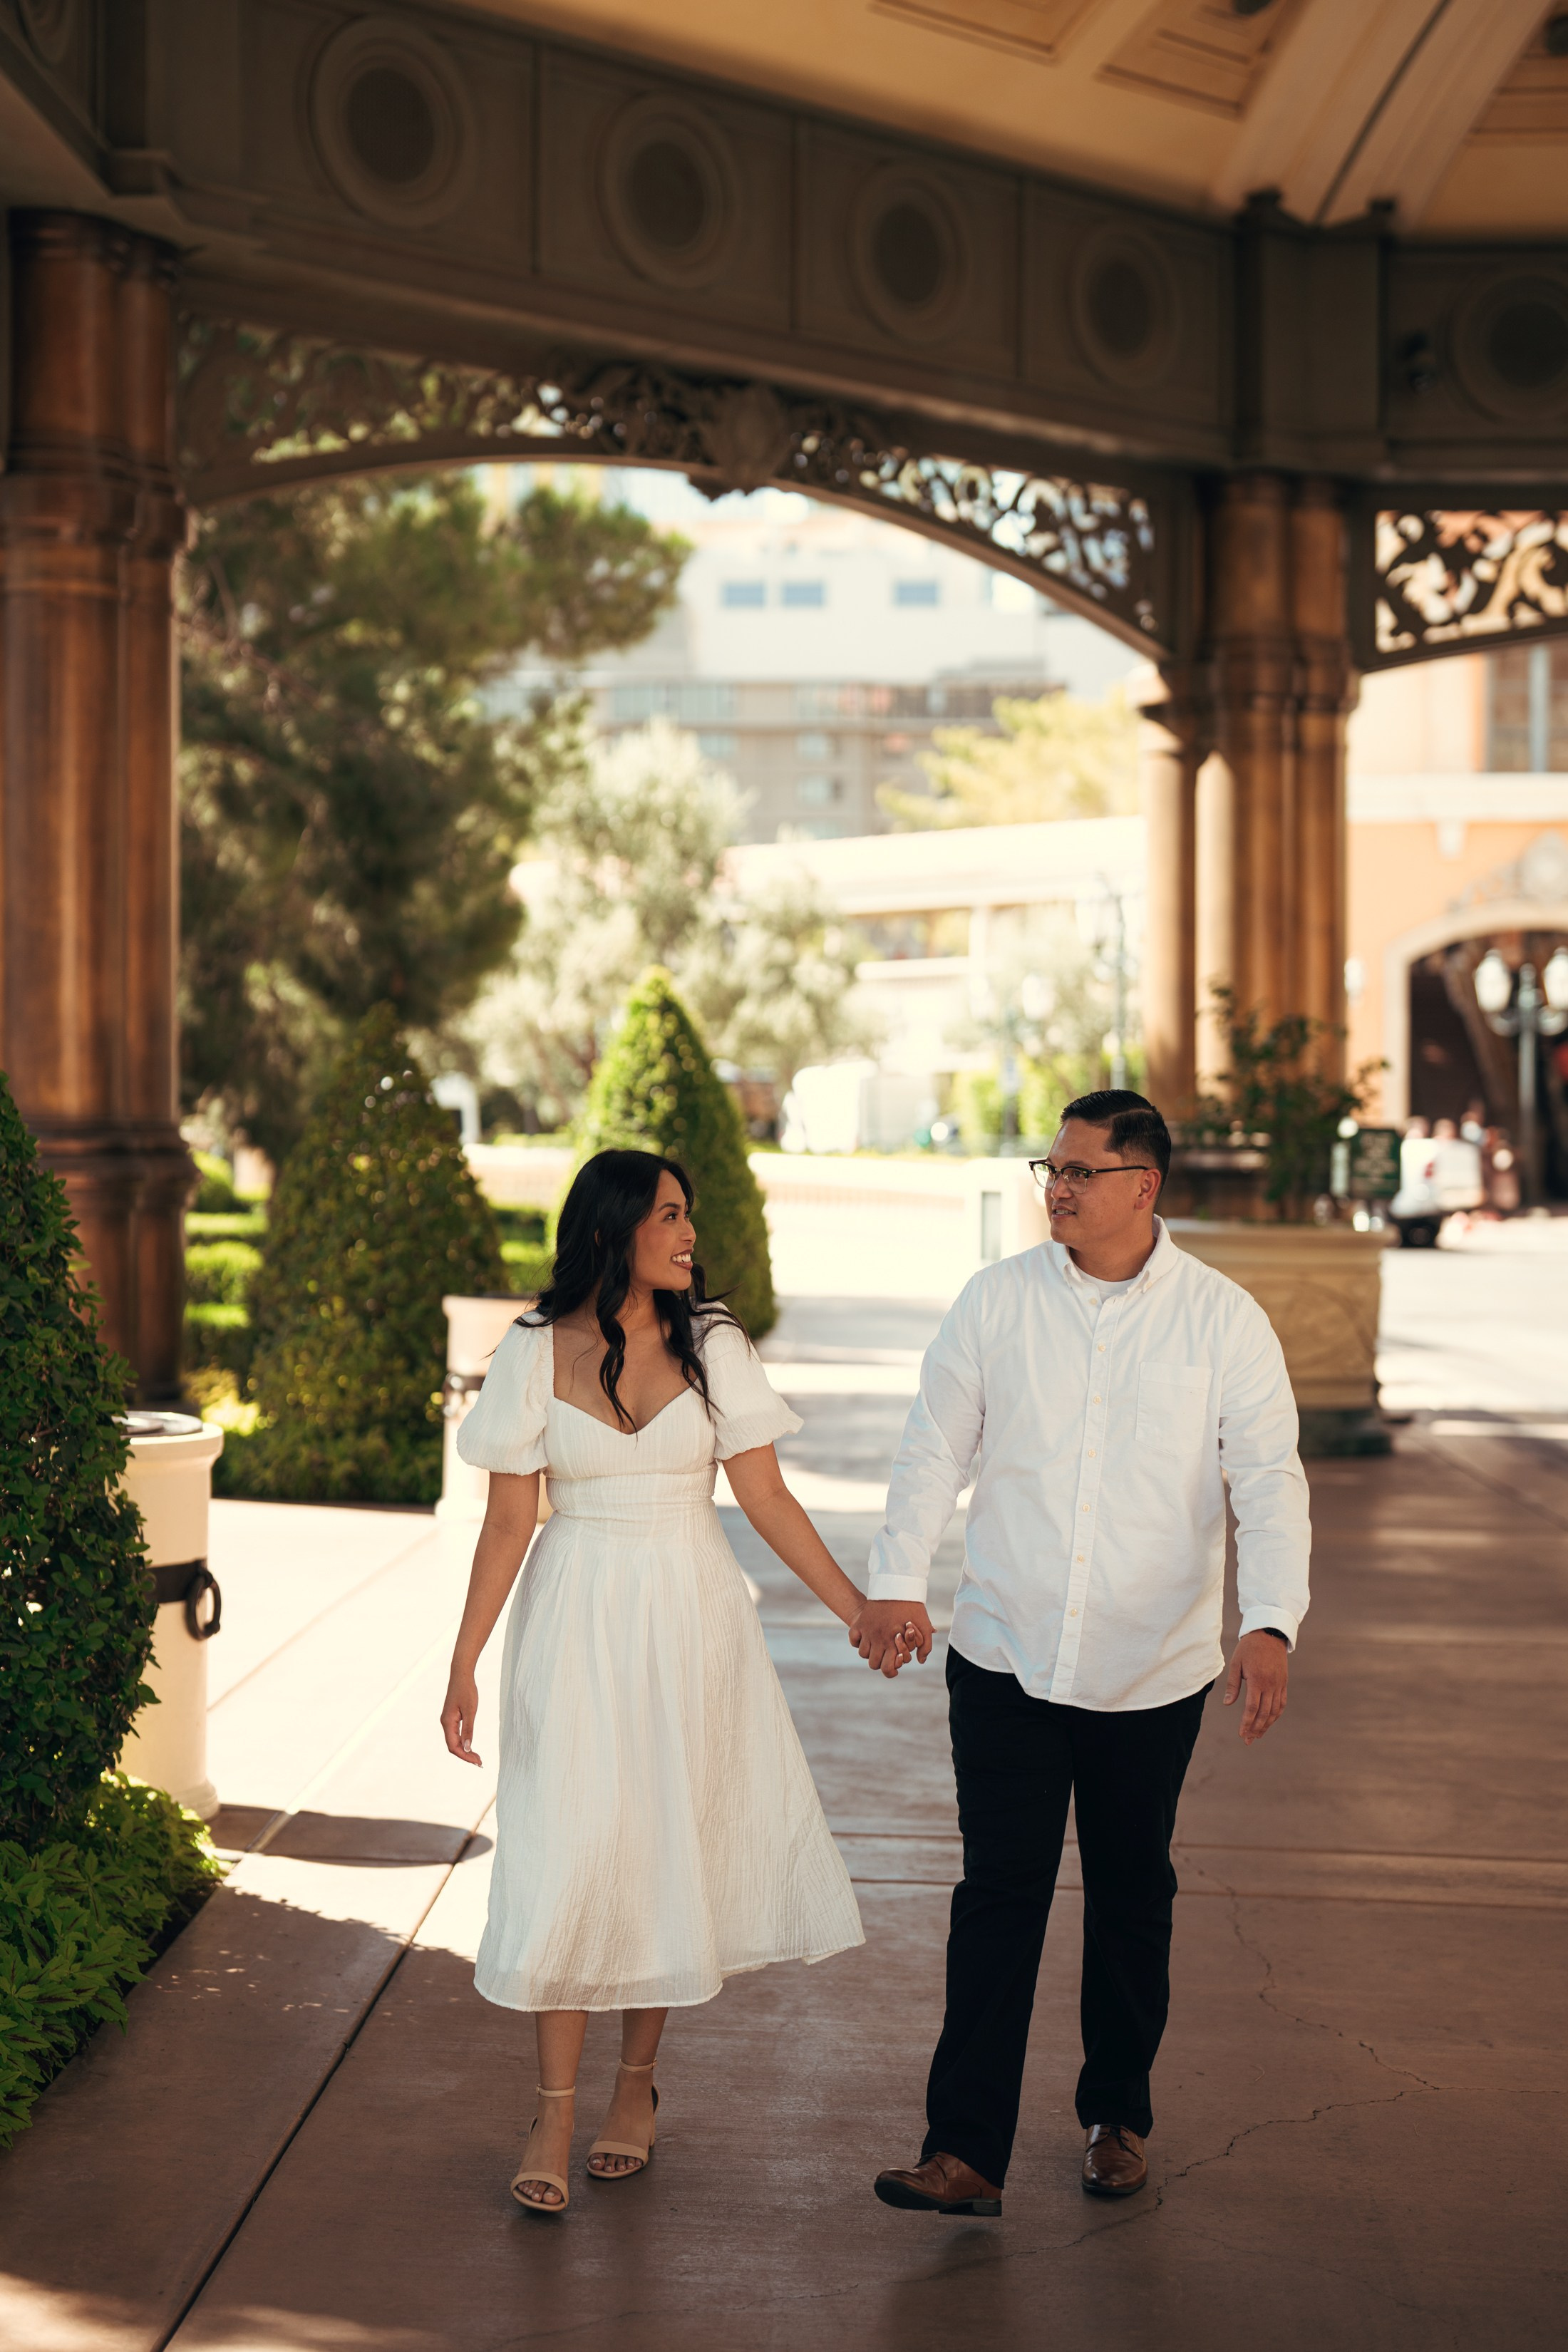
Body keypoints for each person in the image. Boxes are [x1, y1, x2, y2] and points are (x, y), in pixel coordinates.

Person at [854, 1090, 1310, 2217]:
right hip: (1004, 1655)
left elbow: (1269, 1479)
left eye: (1080, 1172)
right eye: (1047, 1169)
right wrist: (897, 1579)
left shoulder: (1223, 1321)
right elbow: (931, 1451)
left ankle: (1118, 2116)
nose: (1055, 1187)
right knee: (997, 1899)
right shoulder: (994, 1304)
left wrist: (1271, 1619)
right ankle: (964, 2152)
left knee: (1129, 1898)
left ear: (1142, 1186)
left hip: (1150, 1672)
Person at [440, 1148, 866, 2215]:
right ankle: (553, 2107)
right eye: (670, 1216)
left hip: (689, 1616)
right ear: (613, 1226)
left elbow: (766, 1500)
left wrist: (858, 1611)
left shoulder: (713, 1342)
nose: (689, 1235)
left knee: (660, 1848)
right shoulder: (533, 1350)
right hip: (575, 1616)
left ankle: (636, 2092)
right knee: (572, 1850)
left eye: (690, 1215)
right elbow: (506, 1521)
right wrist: (464, 1661)